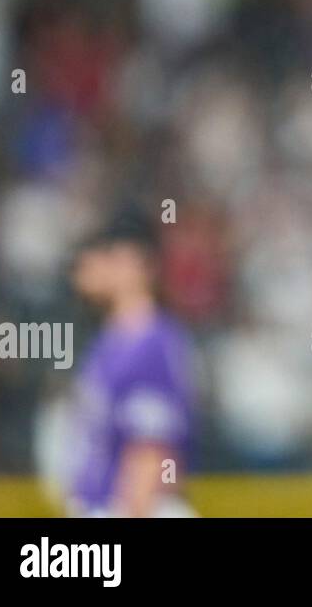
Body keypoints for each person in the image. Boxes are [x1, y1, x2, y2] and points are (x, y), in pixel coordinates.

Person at [66, 209, 197, 517]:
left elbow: (149, 453)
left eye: (106, 253)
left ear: (137, 261)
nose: (90, 265)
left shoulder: (152, 342)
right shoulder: (108, 341)